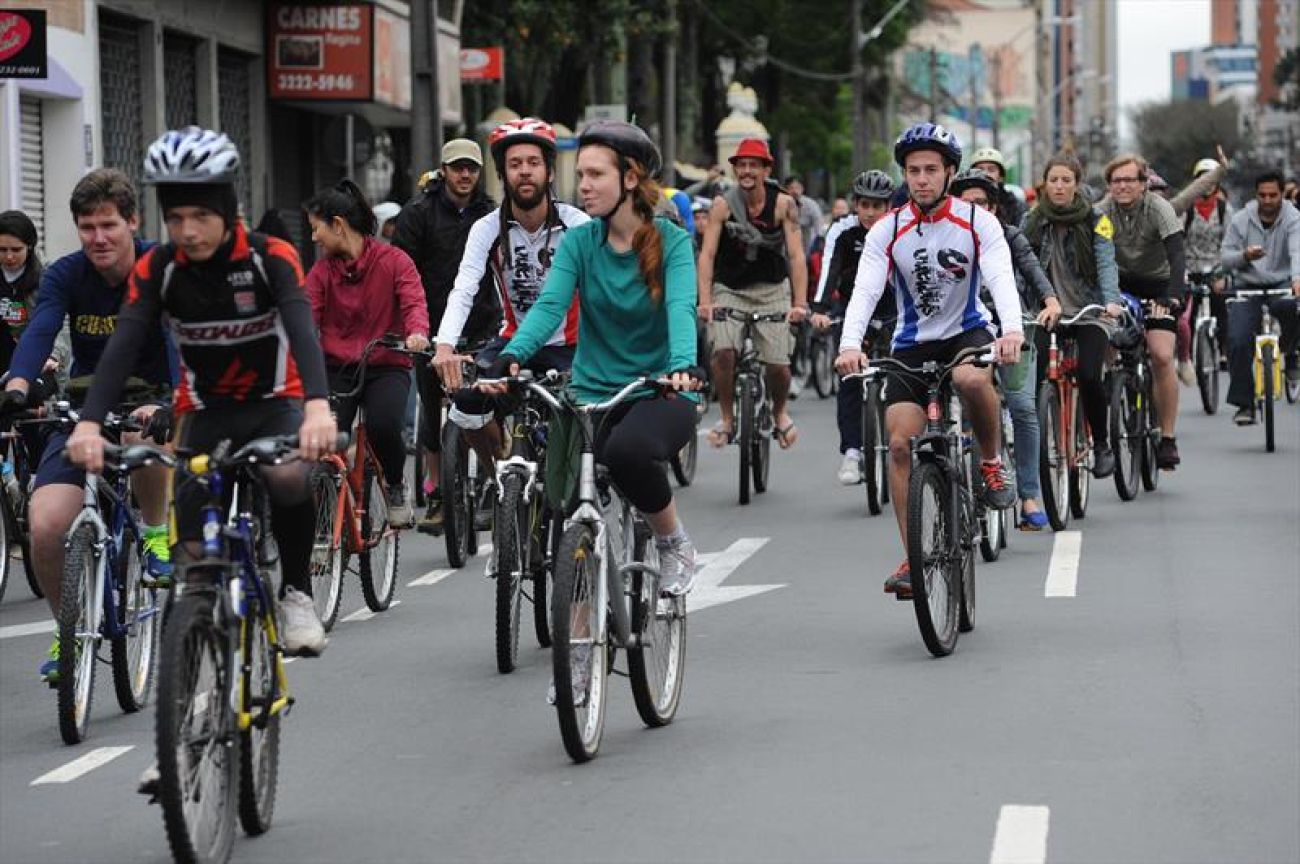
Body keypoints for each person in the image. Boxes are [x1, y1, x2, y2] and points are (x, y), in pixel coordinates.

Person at [66, 127, 337, 660]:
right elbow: (122, 345)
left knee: (286, 476)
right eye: (174, 219)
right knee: (192, 554)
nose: (187, 231)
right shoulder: (160, 268)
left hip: (273, 404)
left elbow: (303, 330)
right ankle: (196, 676)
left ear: (227, 208)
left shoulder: (270, 257)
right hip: (203, 414)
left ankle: (297, 592)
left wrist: (318, 407)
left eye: (200, 217)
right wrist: (89, 422)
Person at [483, 120, 701, 594]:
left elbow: (681, 307)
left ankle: (672, 542)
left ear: (629, 178)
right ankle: (582, 650)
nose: (582, 185)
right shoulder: (581, 242)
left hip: (660, 390)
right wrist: (512, 354)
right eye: (579, 174)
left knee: (628, 454)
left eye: (595, 174)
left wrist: (682, 364)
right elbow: (549, 306)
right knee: (565, 501)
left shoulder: (672, 242)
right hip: (590, 393)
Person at [0, 171, 175, 682]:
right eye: (86, 227)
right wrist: (17, 386)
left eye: (108, 226)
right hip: (84, 407)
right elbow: (40, 328)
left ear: (132, 223)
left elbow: (173, 336)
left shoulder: (158, 268)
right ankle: (69, 631)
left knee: (141, 433)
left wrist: (172, 398)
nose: (97, 238)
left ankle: (154, 532)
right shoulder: (65, 275)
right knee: (47, 522)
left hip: (150, 403)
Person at [834, 123, 1022, 597]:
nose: (921, 179)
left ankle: (992, 461)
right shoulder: (887, 230)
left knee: (972, 380)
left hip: (967, 330)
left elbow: (1000, 277)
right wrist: (849, 345)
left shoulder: (978, 222)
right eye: (913, 171)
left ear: (950, 173)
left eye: (931, 170)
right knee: (899, 443)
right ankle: (912, 557)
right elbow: (865, 291)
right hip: (912, 343)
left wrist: (1013, 332)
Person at [433, 118, 587, 475]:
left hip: (571, 346)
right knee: (466, 405)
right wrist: (444, 347)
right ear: (503, 174)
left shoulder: (577, 224)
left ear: (549, 172)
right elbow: (465, 287)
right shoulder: (486, 228)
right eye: (515, 165)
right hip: (511, 343)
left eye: (533, 163)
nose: (525, 172)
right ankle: (498, 474)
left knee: (590, 425)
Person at [304, 179, 429, 526]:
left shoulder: (394, 261)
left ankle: (393, 484)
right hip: (335, 368)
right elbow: (303, 317)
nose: (314, 238)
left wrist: (417, 332)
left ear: (338, 226)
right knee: (322, 442)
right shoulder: (320, 273)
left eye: (317, 229)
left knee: (384, 424)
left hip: (386, 364)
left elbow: (414, 301)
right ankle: (324, 526)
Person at [954, 167, 1073, 529]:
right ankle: (965, 487)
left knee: (1022, 407)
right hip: (964, 332)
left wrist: (1050, 300)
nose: (975, 210)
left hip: (1013, 329)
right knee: (962, 406)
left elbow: (1034, 271)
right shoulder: (945, 239)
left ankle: (1029, 495)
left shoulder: (1009, 237)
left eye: (981, 203)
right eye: (966, 203)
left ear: (994, 208)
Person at [393, 137, 499, 533]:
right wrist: (412, 327)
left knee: (491, 403)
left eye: (472, 167)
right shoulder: (417, 213)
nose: (465, 174)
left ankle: (495, 478)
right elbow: (402, 273)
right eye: (458, 167)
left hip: (484, 325)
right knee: (432, 402)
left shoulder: (492, 214)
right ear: (444, 170)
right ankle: (437, 491)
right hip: (431, 329)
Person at [1020, 156, 1126, 504]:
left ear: (1077, 183)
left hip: (1088, 311)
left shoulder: (1097, 219)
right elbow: (1022, 266)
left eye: (1067, 180)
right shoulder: (1032, 220)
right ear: (1045, 184)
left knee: (1089, 375)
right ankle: (1031, 456)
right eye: (1054, 180)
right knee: (1031, 384)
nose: (1060, 186)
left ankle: (1101, 444)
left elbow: (1106, 263)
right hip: (1044, 312)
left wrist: (1110, 302)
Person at [697, 137, 808, 450]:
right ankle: (727, 417)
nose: (747, 171)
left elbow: (797, 256)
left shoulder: (784, 205)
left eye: (753, 165)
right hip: (729, 289)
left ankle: (780, 413)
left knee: (777, 364)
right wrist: (705, 302)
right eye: (741, 165)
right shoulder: (722, 205)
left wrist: (799, 304)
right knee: (723, 352)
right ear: (735, 170)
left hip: (772, 289)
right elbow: (706, 255)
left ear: (766, 169)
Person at [1097, 153, 1187, 470]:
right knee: (1101, 337)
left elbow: (1177, 255)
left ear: (1143, 184)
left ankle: (1168, 437)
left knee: (1161, 355)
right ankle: (1110, 382)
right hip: (1119, 285)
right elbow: (1093, 253)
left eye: (1129, 180)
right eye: (1116, 181)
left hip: (1160, 285)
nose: (1122, 186)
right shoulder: (1102, 212)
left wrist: (1174, 295)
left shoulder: (1159, 209)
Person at [809, 169, 897, 484]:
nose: (871, 213)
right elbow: (829, 269)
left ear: (889, 206)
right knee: (849, 376)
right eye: (864, 205)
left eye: (878, 206)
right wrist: (819, 309)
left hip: (895, 310)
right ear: (855, 205)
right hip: (852, 309)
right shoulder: (842, 230)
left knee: (909, 371)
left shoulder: (901, 227)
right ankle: (852, 452)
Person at [1219, 170, 1300, 425]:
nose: (1267, 200)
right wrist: (1245, 256)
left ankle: (1292, 353)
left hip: (1283, 284)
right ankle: (1245, 404)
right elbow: (1225, 258)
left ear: (1281, 195)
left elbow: (1298, 250)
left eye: (1273, 195)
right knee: (1238, 338)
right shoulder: (1241, 219)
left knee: (1294, 310)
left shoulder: (1293, 217)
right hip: (1248, 287)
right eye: (1262, 195)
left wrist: (1298, 279)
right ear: (1256, 195)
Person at [1180, 154, 1234, 382]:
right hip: (1191, 268)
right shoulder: (1187, 209)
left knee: (1221, 307)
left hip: (1217, 268)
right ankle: (1187, 356)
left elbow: (1231, 243)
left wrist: (1222, 273)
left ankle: (1223, 350)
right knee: (1187, 315)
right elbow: (1177, 240)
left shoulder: (1224, 210)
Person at [0, 210, 67, 376]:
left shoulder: (47, 276)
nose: (9, 257)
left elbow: (58, 321)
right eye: (2, 250)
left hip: (32, 361)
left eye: (16, 250)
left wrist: (53, 356)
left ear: (29, 246)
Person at [968, 146, 1024, 227]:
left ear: (1001, 177)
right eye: (979, 169)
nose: (985, 174)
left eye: (991, 170)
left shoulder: (1014, 205)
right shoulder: (964, 201)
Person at [785, 175, 824, 257]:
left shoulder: (811, 205)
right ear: (786, 189)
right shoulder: (781, 204)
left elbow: (818, 225)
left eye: (797, 188)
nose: (794, 191)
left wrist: (818, 241)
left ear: (802, 189)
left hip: (807, 245)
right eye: (791, 188)